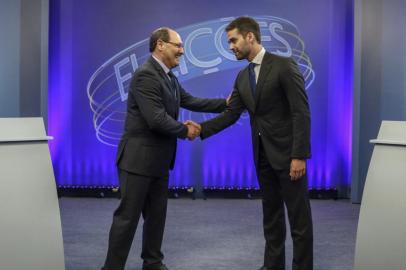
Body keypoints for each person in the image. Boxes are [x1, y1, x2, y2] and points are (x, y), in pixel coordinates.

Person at [102, 27, 227, 270]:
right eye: (178, 45)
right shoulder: (145, 75)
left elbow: (191, 101)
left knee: (156, 218)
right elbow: (156, 118)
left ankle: (153, 263)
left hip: (159, 162)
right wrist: (185, 130)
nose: (182, 51)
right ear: (160, 45)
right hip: (137, 162)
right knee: (127, 220)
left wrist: (226, 104)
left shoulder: (169, 77)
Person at [197, 17, 313, 270]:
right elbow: (231, 114)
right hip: (262, 158)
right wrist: (200, 130)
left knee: (299, 221)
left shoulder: (283, 65)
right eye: (230, 42)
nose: (231, 47)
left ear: (250, 37)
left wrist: (299, 155)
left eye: (233, 40)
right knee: (271, 218)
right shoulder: (242, 77)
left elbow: (300, 112)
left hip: (289, 157)